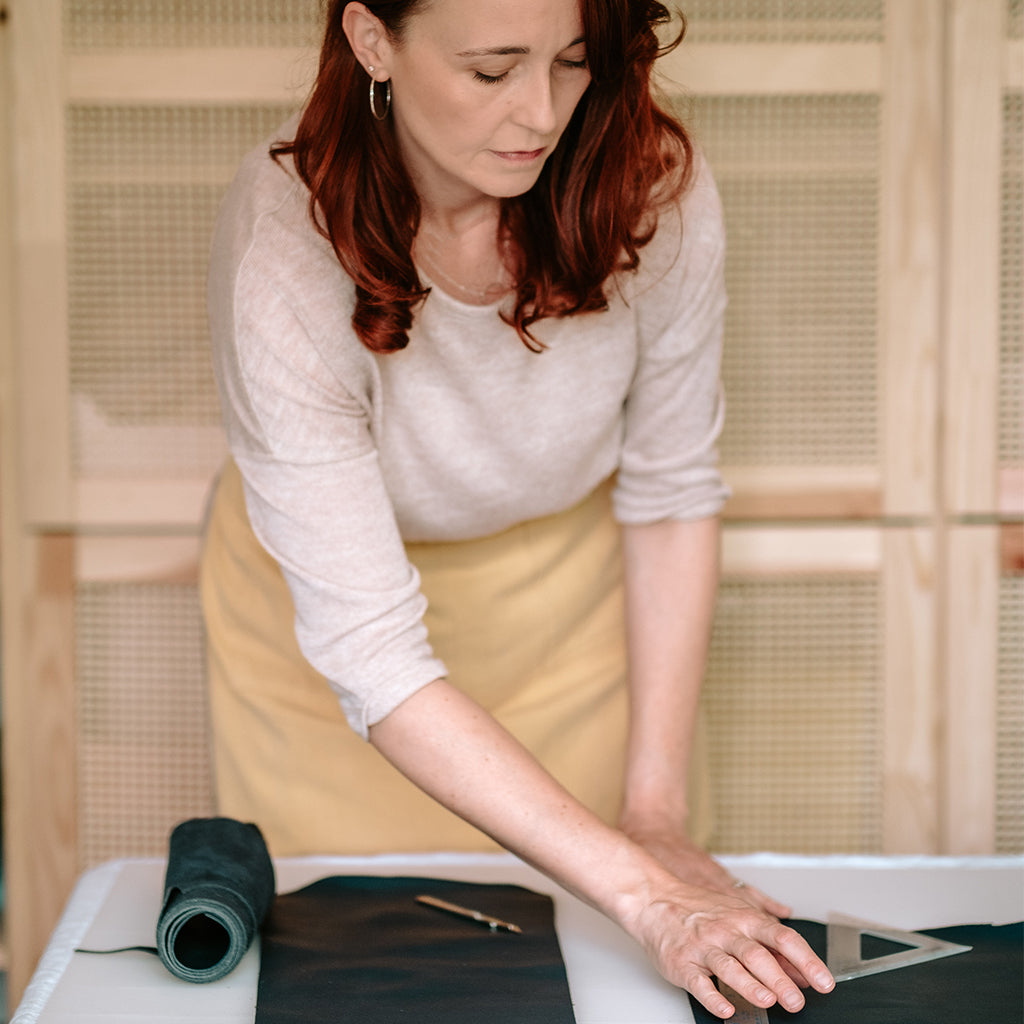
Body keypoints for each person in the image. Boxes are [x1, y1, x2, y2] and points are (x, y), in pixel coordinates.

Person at [200, 0, 836, 1016]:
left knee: (619, 961)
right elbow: (370, 652)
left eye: (573, 62)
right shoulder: (284, 242)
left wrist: (654, 826)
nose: (540, 112)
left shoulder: (649, 185)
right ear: (372, 41)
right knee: (356, 971)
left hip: (572, 608)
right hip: (327, 647)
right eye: (492, 70)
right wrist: (650, 901)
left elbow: (670, 490)